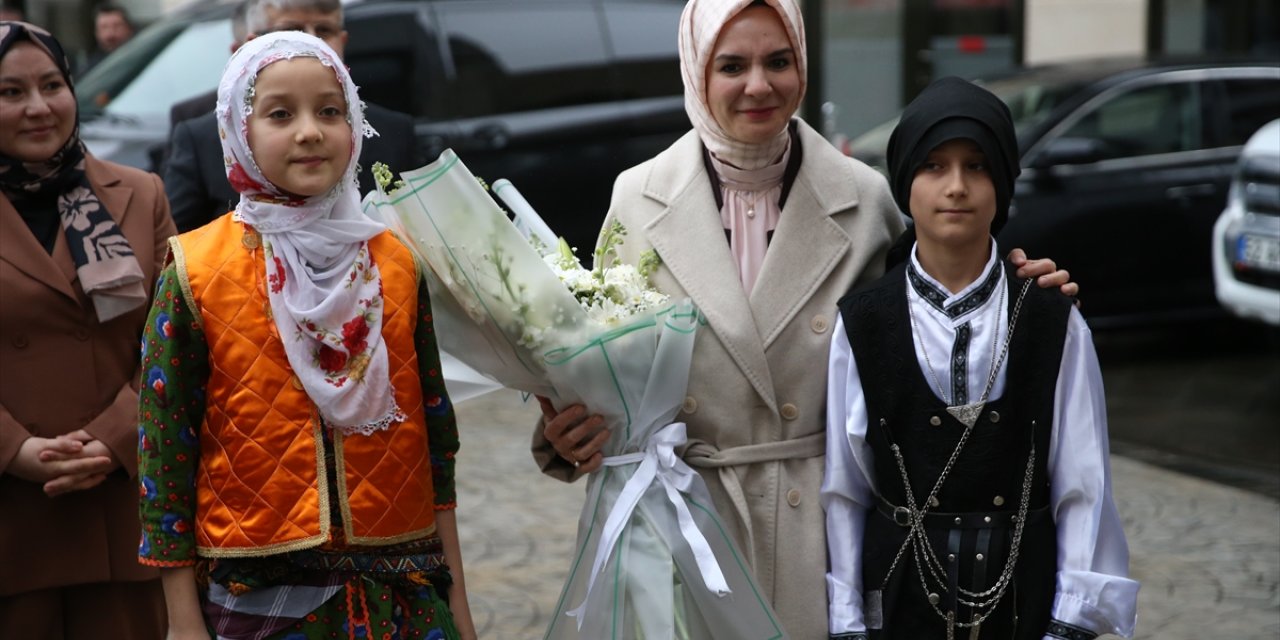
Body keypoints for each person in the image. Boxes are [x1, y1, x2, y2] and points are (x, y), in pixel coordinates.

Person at [533, 1, 1077, 637]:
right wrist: (566, 433)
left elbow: (930, 310)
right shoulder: (638, 195)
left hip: (819, 536)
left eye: (779, 61)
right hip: (684, 524)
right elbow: (602, 358)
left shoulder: (864, 197)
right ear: (696, 73)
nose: (759, 85)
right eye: (732, 65)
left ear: (804, 66)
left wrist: (1009, 286)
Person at [136, 31, 475, 639]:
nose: (310, 131)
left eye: (329, 110)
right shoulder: (196, 270)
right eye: (279, 114)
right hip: (263, 600)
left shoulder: (394, 262)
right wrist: (181, 618)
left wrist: (460, 604)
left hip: (403, 593)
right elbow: (165, 451)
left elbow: (435, 436)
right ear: (238, 132)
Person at [822, 77, 1139, 640]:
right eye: (934, 166)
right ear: (905, 184)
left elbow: (1083, 482)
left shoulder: (1051, 318)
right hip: (898, 602)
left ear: (1002, 183)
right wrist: (847, 620)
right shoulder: (863, 321)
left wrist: (1071, 619)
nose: (957, 186)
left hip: (1025, 604)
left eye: (977, 166)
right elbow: (846, 488)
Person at [0, 20, 174, 638]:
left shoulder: (139, 193)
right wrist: (14, 451)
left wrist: (115, 438)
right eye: (10, 92)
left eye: (51, 84)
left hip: (120, 508)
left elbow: (174, 341)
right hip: (13, 515)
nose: (39, 107)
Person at [163, 0, 420, 232]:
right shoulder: (203, 262)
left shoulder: (393, 260)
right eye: (280, 114)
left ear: (343, 40)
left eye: (324, 31)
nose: (310, 42)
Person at [78, 3, 133, 75]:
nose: (111, 34)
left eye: (117, 26)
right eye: (104, 27)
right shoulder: (90, 70)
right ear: (96, 33)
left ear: (129, 29)